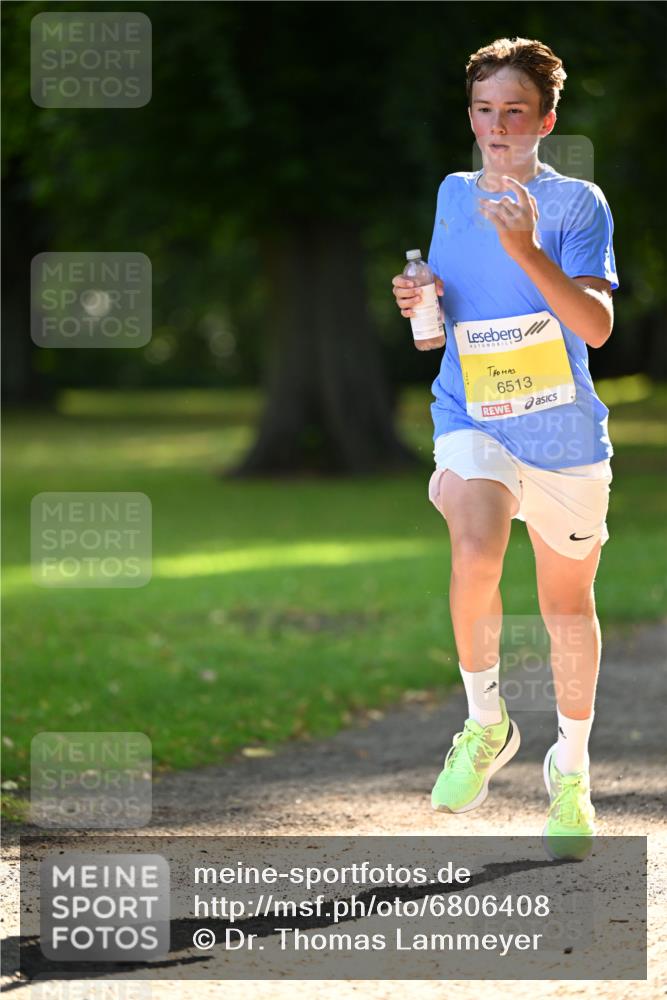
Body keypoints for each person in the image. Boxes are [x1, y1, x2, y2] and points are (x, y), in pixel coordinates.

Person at [392, 37, 618, 859]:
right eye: (484, 110)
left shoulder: (578, 204)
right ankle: (485, 723)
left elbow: (595, 325)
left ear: (544, 121)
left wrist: (526, 250)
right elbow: (438, 334)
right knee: (474, 545)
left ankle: (570, 771)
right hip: (473, 417)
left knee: (565, 606)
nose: (496, 125)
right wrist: (420, 300)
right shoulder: (452, 194)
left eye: (514, 111)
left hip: (562, 434)